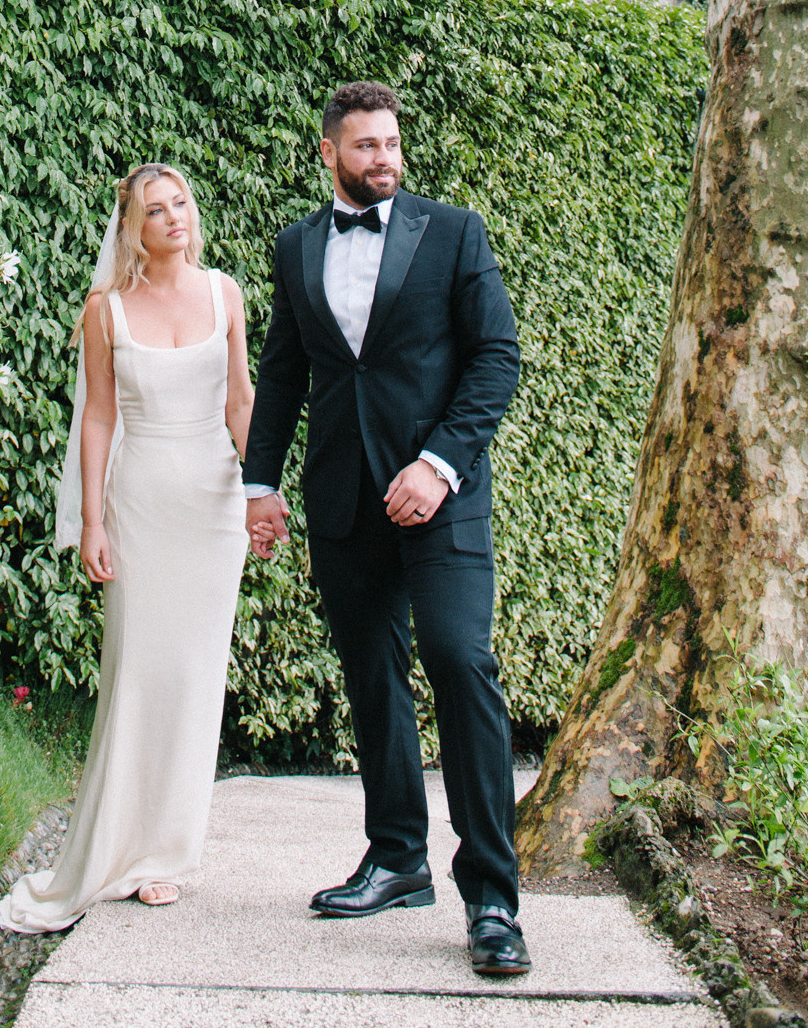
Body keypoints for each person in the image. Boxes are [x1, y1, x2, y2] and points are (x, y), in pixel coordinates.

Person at [243, 81, 530, 977]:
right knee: (372, 677)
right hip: (340, 498)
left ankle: (491, 897)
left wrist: (438, 464)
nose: (383, 159)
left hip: (441, 493)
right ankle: (397, 858)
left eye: (392, 144)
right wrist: (259, 482)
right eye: (365, 146)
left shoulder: (453, 233)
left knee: (458, 661)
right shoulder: (295, 247)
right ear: (328, 151)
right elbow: (284, 373)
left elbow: (496, 357)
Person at [0, 164, 254, 931]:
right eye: (154, 209)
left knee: (195, 676)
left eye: (179, 204)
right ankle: (118, 843)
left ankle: (167, 854)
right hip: (139, 499)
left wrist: (263, 494)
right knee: (136, 668)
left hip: (214, 506)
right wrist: (93, 520)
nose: (173, 217)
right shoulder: (104, 310)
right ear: (132, 230)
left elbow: (241, 400)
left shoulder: (224, 294)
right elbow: (98, 420)